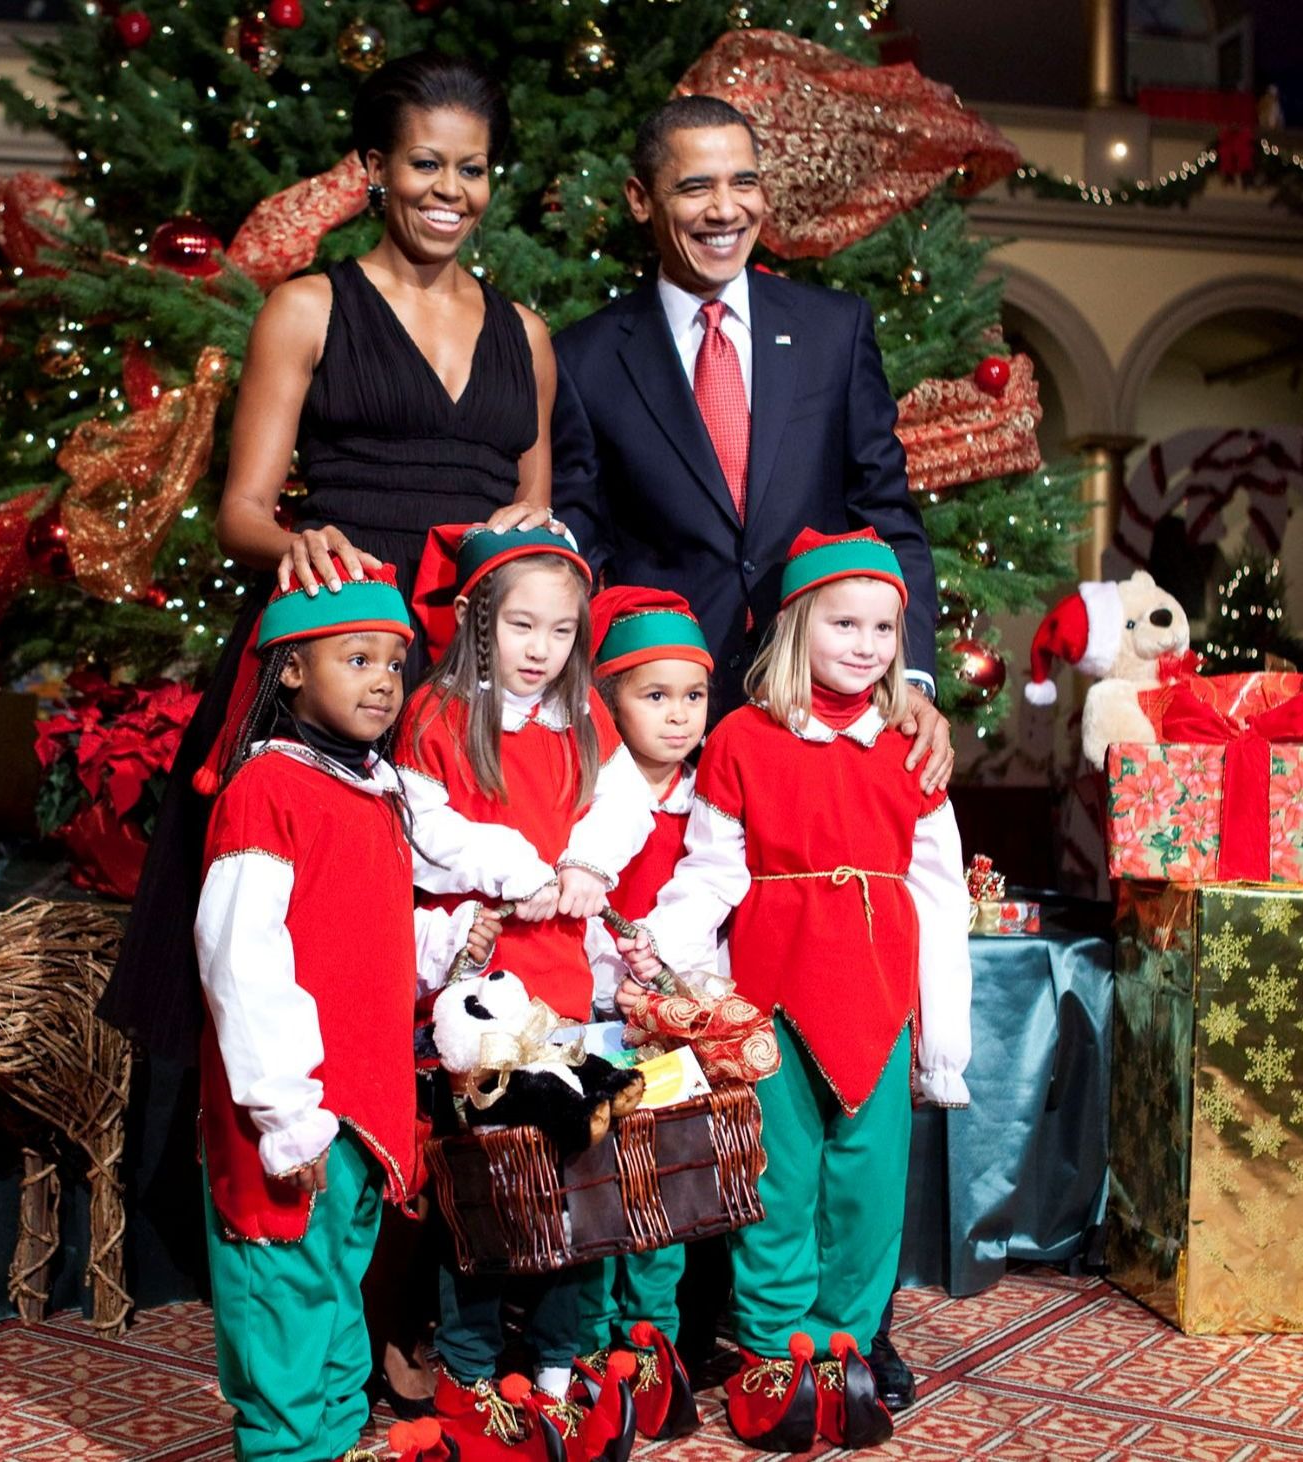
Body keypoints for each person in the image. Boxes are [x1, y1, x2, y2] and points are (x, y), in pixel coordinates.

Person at [547, 89, 953, 1404]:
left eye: (743, 185)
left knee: (826, 1058)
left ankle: (838, 1324)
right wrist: (622, 689)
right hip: (663, 720)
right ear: (643, 202)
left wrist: (912, 674)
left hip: (816, 712)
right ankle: (676, 1317)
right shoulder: (591, 353)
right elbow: (583, 534)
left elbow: (883, 509)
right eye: (693, 188)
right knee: (687, 1016)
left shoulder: (830, 327)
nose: (723, 209)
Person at [107, 51, 561, 1052]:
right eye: (424, 165)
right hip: (338, 649)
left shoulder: (524, 335)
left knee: (471, 933)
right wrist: (297, 535)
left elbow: (534, 515)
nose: (449, 191)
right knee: (297, 933)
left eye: (472, 169)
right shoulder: (307, 308)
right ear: (372, 168)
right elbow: (240, 512)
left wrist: (538, 542)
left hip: (464, 676)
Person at [621, 528, 971, 1454]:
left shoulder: (909, 747)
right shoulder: (741, 739)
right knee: (778, 1178)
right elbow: (709, 873)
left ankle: (845, 1341)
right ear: (796, 624)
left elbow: (941, 892)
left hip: (881, 995)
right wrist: (659, 958)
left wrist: (943, 1035)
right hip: (771, 998)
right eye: (844, 622)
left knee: (868, 1184)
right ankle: (772, 1349)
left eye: (885, 629)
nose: (865, 645)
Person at [195, 563, 500, 1462]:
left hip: (360, 1107)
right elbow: (241, 959)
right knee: (286, 1293)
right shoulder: (266, 791)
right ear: (290, 669)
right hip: (295, 1110)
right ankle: (290, 1451)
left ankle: (328, 1444)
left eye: (395, 664)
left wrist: (438, 946)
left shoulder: (372, 790)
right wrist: (283, 1112)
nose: (382, 680)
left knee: (336, 1296)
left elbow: (352, 927)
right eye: (357, 658)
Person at [396, 522, 654, 1459]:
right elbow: (433, 826)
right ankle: (469, 1369)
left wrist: (586, 863)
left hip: (567, 991)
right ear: (478, 623)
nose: (541, 650)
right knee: (486, 1190)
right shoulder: (434, 714)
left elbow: (626, 806)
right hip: (481, 994)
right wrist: (523, 869)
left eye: (559, 631)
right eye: (522, 628)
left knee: (573, 1186)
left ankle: (558, 1361)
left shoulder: (582, 720)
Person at [578, 584, 719, 1442]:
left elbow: (715, 895)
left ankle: (653, 1337)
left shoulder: (708, 797)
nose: (677, 717)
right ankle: (594, 1350)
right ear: (609, 700)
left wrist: (671, 972)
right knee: (597, 1186)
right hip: (595, 1015)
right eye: (653, 695)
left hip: (671, 1019)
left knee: (661, 1187)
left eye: (693, 695)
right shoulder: (593, 794)